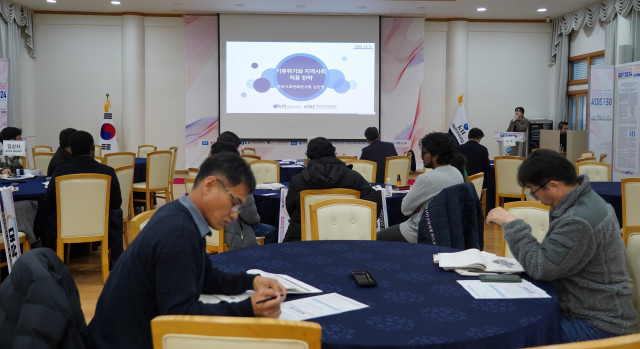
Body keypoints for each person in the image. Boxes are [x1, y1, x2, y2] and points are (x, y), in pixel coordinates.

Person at [88, 152, 286, 349]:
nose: (235, 215)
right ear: (209, 185)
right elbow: (179, 317)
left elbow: (205, 276)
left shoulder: (178, 212)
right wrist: (247, 308)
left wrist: (252, 281)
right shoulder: (179, 233)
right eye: (234, 204)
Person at [486, 150, 636, 343]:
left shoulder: (578, 220)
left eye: (533, 190)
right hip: (591, 311)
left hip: (598, 324)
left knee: (510, 336)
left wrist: (512, 224)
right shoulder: (583, 201)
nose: (535, 197)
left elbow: (541, 268)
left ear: (554, 185)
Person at [44, 131, 123, 265]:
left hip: (67, 224)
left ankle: (54, 261)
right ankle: (116, 261)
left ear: (71, 150)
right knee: (116, 213)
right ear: (92, 147)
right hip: (100, 224)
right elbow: (116, 202)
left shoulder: (60, 172)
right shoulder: (107, 172)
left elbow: (49, 203)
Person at [284, 137, 380, 242]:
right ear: (332, 151)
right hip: (349, 236)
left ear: (309, 154)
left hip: (303, 238)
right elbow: (373, 201)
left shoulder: (298, 180)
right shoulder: (353, 177)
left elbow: (291, 208)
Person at [377, 132, 463, 242]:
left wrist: (418, 207)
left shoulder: (426, 179)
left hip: (417, 231)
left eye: (424, 152)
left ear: (436, 155)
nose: (421, 156)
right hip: (445, 231)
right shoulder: (457, 174)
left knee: (375, 238)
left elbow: (405, 210)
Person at [209, 141, 278, 245]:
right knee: (272, 231)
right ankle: (264, 257)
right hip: (231, 231)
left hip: (210, 230)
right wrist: (258, 218)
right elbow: (249, 216)